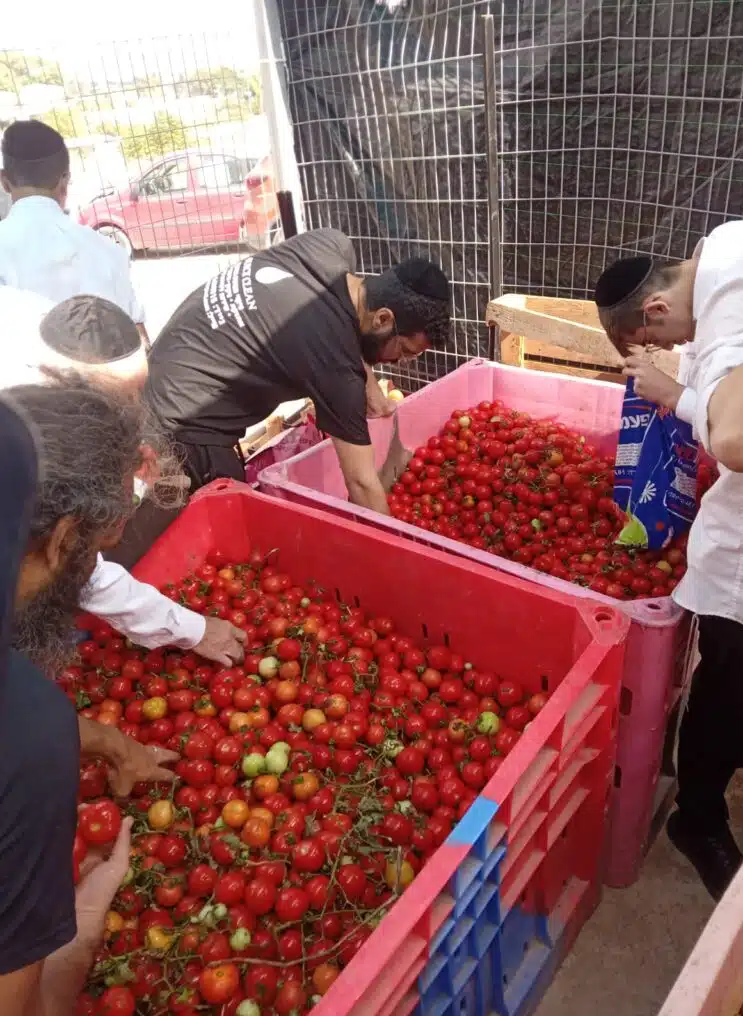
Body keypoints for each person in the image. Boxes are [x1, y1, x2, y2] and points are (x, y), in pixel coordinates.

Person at [593, 219, 743, 899]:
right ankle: (698, 817)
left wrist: (678, 394)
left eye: (661, 340)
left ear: (658, 310)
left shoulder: (732, 331)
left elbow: (739, 441)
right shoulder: (730, 241)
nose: (676, 349)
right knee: (733, 696)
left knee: (742, 693)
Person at [0, 380, 177, 1016]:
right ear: (60, 538)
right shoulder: (26, 735)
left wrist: (108, 740)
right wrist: (77, 933)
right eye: (95, 555)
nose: (92, 579)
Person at [0, 285, 246, 667]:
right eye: (116, 406)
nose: (132, 412)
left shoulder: (57, 336)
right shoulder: (21, 445)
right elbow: (82, 566)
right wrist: (190, 628)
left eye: (135, 396)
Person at [144, 228, 451, 512]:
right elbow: (361, 483)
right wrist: (402, 555)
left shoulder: (329, 246)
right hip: (179, 423)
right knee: (226, 523)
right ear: (383, 319)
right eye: (405, 351)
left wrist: (370, 385)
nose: (401, 362)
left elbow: (342, 330)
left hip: (163, 365)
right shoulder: (336, 371)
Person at [0, 120, 148, 348]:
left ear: (4, 182)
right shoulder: (109, 251)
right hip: (103, 378)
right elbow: (140, 342)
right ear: (65, 181)